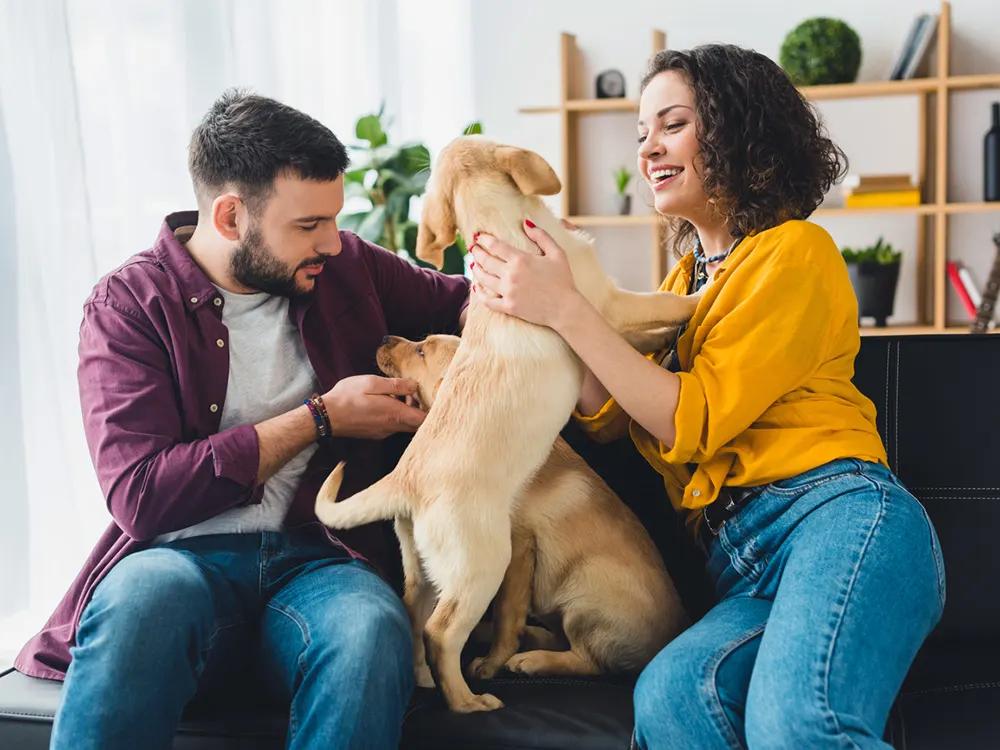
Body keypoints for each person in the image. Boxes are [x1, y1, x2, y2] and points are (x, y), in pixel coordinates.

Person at [469, 45, 944, 749]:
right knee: (672, 701)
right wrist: (541, 302)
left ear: (735, 131)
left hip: (836, 518)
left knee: (797, 725)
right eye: (640, 133)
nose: (649, 149)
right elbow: (607, 416)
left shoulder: (795, 253)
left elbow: (692, 417)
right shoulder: (685, 283)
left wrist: (570, 310)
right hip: (739, 562)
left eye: (673, 124)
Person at [16, 89, 470, 750]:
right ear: (231, 216)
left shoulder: (349, 267)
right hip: (178, 560)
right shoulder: (131, 306)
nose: (333, 243)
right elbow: (142, 497)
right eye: (308, 225)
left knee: (370, 630)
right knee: (141, 603)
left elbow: (461, 303)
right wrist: (320, 419)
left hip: (322, 557)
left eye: (334, 221)